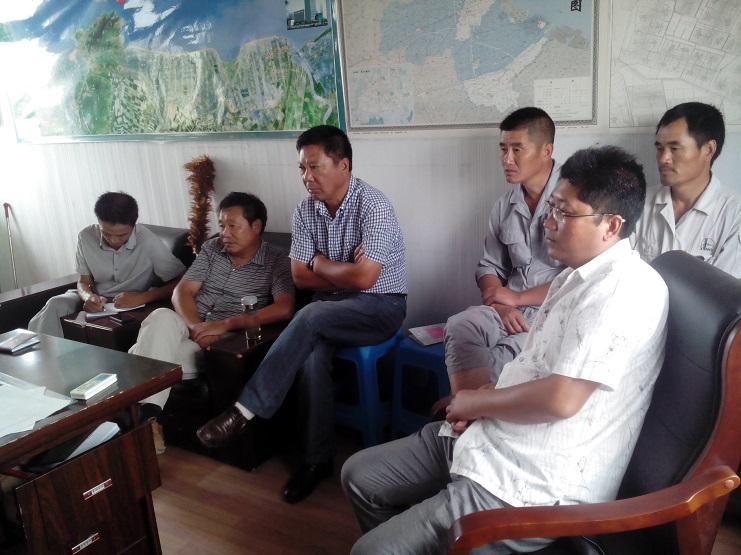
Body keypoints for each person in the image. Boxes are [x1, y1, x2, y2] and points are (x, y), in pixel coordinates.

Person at [341, 145, 669, 555]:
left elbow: (561, 399)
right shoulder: (576, 276)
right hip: (501, 436)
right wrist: (486, 399)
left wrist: (475, 402)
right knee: (359, 475)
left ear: (611, 225)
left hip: (533, 480)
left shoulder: (624, 290)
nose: (548, 222)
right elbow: (536, 365)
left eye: (564, 213)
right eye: (551, 208)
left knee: (369, 551)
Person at [196, 125, 407, 504]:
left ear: (343, 165)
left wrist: (321, 263)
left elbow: (365, 279)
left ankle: (244, 410)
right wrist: (343, 270)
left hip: (380, 305)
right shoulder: (305, 211)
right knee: (310, 359)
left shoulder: (373, 205)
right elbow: (299, 276)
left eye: (315, 167)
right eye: (301, 169)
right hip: (331, 308)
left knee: (310, 315)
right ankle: (316, 461)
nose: (307, 177)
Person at [127, 192, 296, 450]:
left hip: (223, 344)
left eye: (233, 226)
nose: (225, 233)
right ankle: (149, 421)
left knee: (140, 354)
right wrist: (197, 326)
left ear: (256, 226)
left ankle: (140, 421)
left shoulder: (277, 262)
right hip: (188, 328)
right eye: (222, 225)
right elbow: (182, 291)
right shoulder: (211, 249)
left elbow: (285, 308)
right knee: (160, 316)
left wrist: (225, 325)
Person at [444, 107, 565, 394]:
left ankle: (462, 409)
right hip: (506, 307)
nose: (506, 159)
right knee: (460, 326)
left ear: (546, 150)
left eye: (517, 149)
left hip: (552, 313)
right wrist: (500, 304)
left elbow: (582, 275)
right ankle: (466, 408)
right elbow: (490, 266)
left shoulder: (575, 199)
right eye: (503, 149)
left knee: (501, 362)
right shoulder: (504, 205)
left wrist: (518, 298)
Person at [28, 191, 186, 337]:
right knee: (55, 304)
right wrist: (88, 297)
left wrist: (141, 298)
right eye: (106, 233)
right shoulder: (86, 236)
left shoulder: (148, 241)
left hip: (132, 302)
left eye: (122, 235)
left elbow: (182, 282)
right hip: (97, 299)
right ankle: (43, 354)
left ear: (134, 225)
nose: (113, 240)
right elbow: (83, 282)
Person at [632, 101, 741, 277]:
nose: (663, 159)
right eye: (660, 149)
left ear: (708, 150)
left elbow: (724, 289)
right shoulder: (640, 202)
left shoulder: (734, 213)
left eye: (674, 148)